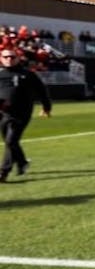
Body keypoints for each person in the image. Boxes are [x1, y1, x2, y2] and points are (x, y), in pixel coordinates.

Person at [0, 48, 52, 182]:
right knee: (9, 142)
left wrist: (46, 107)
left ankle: (4, 172)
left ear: (17, 58)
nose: (9, 59)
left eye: (12, 57)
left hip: (21, 113)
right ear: (1, 59)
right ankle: (22, 162)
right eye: (6, 57)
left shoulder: (28, 74)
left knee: (11, 141)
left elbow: (42, 91)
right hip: (3, 113)